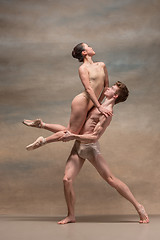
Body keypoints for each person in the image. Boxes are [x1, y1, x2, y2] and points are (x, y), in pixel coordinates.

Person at [23, 81, 149, 224]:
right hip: (78, 147)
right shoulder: (99, 104)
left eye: (112, 88)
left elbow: (95, 136)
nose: (107, 88)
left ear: (114, 96)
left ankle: (139, 207)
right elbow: (96, 86)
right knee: (67, 180)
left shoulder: (107, 114)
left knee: (111, 179)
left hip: (90, 148)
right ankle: (71, 215)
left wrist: (74, 136)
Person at [23, 43, 112, 135]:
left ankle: (41, 124)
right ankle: (42, 125)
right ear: (84, 52)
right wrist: (99, 106)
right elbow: (88, 89)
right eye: (88, 46)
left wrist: (97, 104)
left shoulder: (101, 65)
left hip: (93, 102)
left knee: (73, 132)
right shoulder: (83, 68)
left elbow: (106, 86)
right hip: (82, 102)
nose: (91, 47)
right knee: (71, 132)